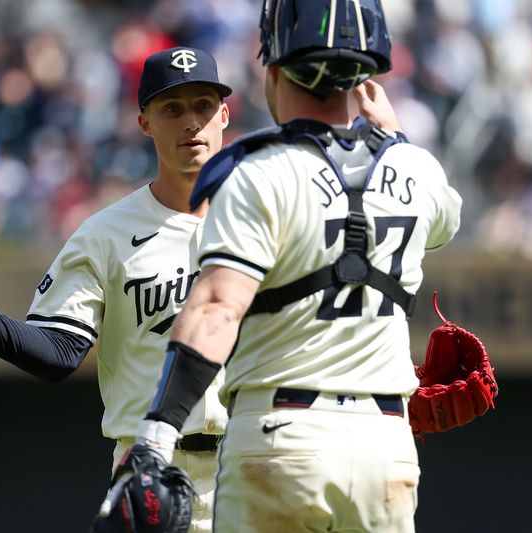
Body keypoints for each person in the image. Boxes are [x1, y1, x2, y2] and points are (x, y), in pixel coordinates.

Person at [0, 44, 404, 532]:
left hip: (262, 461)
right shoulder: (105, 234)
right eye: (172, 109)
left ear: (224, 115)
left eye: (202, 106)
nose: (190, 122)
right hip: (155, 478)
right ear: (145, 122)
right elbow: (58, 353)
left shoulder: (274, 214)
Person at [116, 1, 463, 532]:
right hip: (387, 446)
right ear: (368, 77)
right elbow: (442, 221)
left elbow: (215, 309)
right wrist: (396, 140)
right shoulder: (416, 168)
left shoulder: (256, 172)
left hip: (280, 438)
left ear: (272, 73)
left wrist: (155, 438)